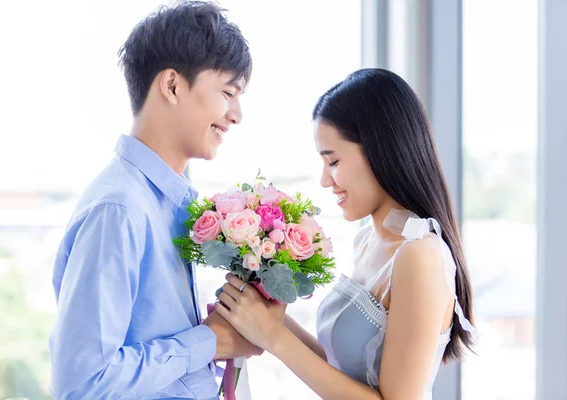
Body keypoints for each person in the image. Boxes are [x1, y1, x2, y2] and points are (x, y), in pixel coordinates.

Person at [215, 68, 476, 400]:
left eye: (333, 161)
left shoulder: (418, 255)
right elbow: (341, 374)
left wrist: (272, 337)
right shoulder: (369, 239)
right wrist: (269, 317)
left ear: (381, 149)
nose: (326, 180)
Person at [49, 2, 258, 399]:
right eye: (228, 93)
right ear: (173, 85)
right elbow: (81, 386)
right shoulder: (120, 208)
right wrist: (208, 342)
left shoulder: (165, 203)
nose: (236, 115)